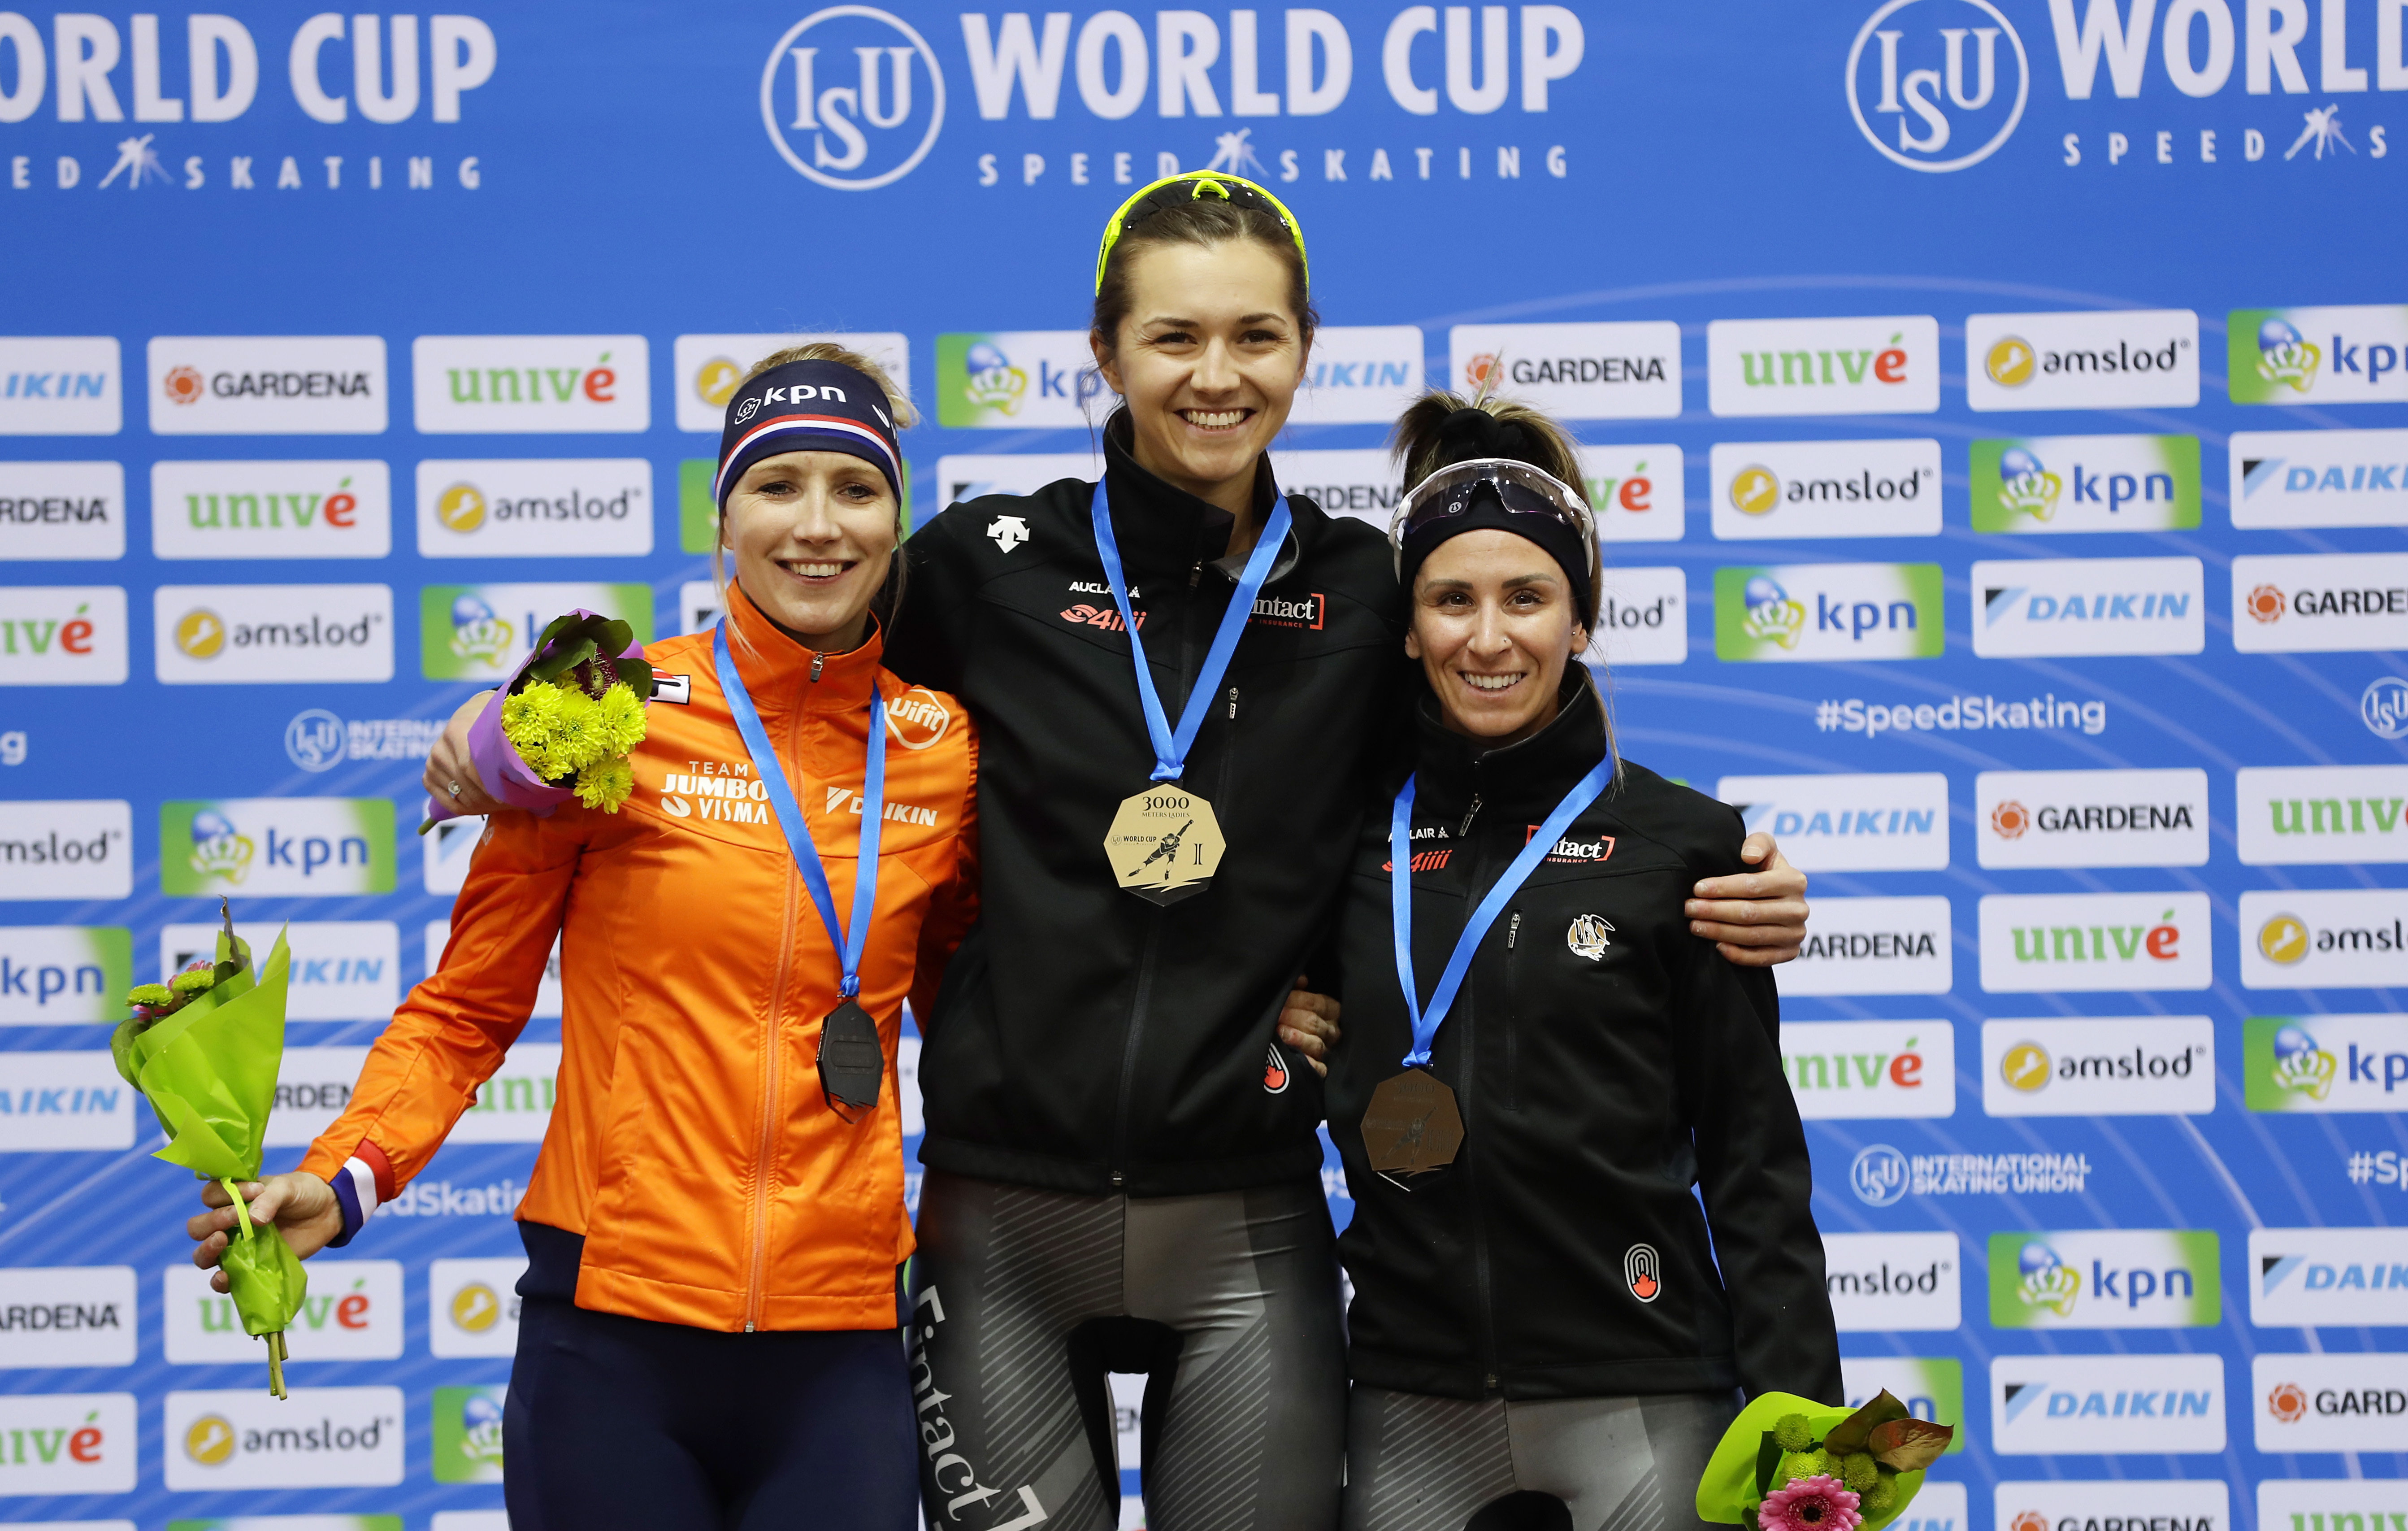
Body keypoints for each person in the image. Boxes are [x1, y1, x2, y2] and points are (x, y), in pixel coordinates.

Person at [425, 174, 1812, 1531]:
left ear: (1303, 351)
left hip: (1246, 1228)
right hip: (998, 1224)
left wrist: (1709, 873)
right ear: (1105, 351)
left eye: (1255, 336)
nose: (1216, 375)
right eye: (1174, 336)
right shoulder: (986, 565)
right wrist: (515, 728)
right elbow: (786, 669)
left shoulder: (1362, 589)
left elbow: (1484, 788)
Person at [187, 344, 974, 1530]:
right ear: (724, 519)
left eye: (855, 489)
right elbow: (464, 1010)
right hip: (611, 1340)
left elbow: (996, 1007)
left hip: (842, 1345)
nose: (818, 525)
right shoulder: (600, 718)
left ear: (896, 519)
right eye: (778, 485)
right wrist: (350, 1171)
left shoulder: (943, 746)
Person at [1323, 392, 1843, 1531]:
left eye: (1528, 597)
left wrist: (1807, 1433)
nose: (1489, 637)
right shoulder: (1337, 839)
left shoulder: (1687, 848)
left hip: (1648, 1396)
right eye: (1450, 600)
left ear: (1581, 618)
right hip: (1408, 1401)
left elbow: (1753, 1160)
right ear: (1408, 627)